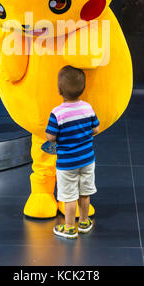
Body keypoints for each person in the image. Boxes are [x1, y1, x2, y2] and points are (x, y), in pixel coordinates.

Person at [45, 66, 100, 239]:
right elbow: (96, 128)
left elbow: (50, 136)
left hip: (67, 163)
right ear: (83, 89)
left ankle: (69, 228)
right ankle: (84, 223)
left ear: (59, 90)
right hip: (87, 160)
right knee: (84, 193)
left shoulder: (57, 113)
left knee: (68, 196)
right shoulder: (88, 108)